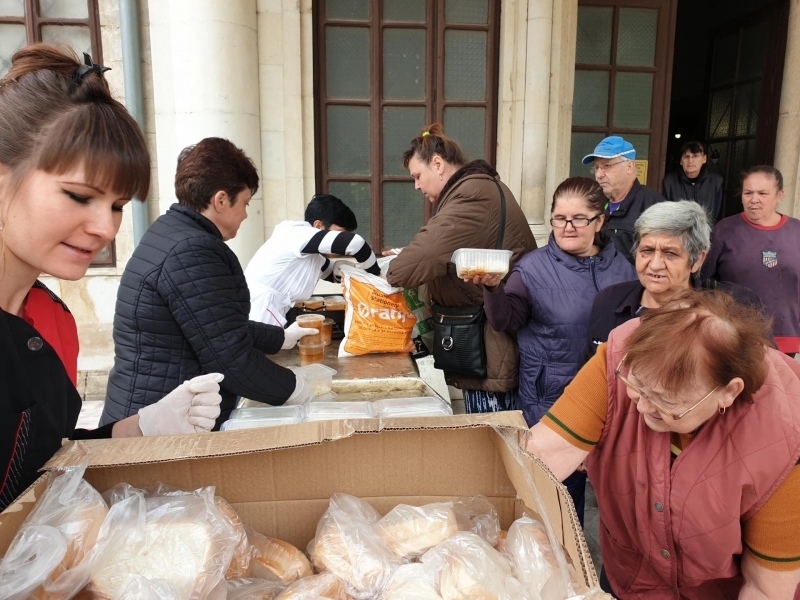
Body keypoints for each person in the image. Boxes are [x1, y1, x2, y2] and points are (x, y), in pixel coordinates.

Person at [0, 45, 225, 511]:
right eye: (80, 196)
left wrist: (139, 428)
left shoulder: (51, 318)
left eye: (119, 205)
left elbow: (47, 462)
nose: (106, 228)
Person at [527, 290, 800, 597]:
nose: (642, 407)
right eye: (636, 385)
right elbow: (543, 453)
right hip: (631, 577)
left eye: (666, 402)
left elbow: (766, 588)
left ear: (728, 392)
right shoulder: (623, 351)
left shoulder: (784, 444)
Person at [102, 138, 318, 429]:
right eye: (244, 203)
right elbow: (231, 360)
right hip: (157, 424)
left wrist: (280, 338)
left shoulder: (172, 231)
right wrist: (297, 389)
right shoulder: (193, 250)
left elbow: (214, 323)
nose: (245, 214)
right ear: (220, 200)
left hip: (150, 408)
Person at [470, 177, 635, 524]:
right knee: (559, 499)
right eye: (560, 218)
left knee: (617, 499)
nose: (568, 227)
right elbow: (504, 321)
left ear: (600, 221)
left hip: (613, 400)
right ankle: (561, 567)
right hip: (551, 401)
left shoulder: (623, 268)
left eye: (579, 218)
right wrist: (493, 289)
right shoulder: (533, 267)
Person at [386, 124, 537, 413]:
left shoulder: (472, 196)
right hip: (487, 339)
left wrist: (404, 260)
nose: (417, 186)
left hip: (489, 346)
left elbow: (403, 271)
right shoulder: (480, 188)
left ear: (438, 165)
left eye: (418, 176)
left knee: (492, 443)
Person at [584, 200, 765, 361]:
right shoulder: (608, 301)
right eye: (646, 250)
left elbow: (764, 382)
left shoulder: (735, 306)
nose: (655, 265)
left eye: (670, 253)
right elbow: (587, 375)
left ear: (697, 261)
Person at [701, 165, 800, 357]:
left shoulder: (796, 231)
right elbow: (703, 280)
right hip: (735, 334)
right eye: (748, 193)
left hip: (785, 335)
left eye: (763, 193)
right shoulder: (725, 230)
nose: (754, 199)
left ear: (779, 196)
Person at [246, 194, 380, 327]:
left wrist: (349, 270)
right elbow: (356, 244)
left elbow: (332, 273)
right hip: (259, 308)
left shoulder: (311, 253)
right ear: (318, 225)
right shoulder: (297, 234)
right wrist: (377, 276)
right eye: (339, 233)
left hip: (270, 309)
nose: (339, 238)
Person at [583, 136, 664, 264]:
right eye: (596, 168)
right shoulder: (594, 202)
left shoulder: (654, 206)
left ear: (630, 167)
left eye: (607, 166)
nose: (599, 175)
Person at [662, 141, 724, 224]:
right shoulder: (670, 181)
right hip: (678, 233)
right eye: (686, 157)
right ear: (681, 161)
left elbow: (716, 213)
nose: (690, 161)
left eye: (695, 156)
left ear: (704, 159)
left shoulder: (715, 181)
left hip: (705, 232)